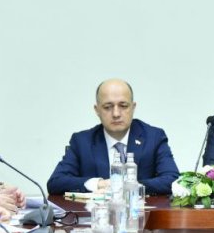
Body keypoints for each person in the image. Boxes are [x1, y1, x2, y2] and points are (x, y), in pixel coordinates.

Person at [47, 79, 180, 195]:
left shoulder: (154, 137)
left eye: (123, 106)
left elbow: (173, 180)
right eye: (107, 107)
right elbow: (55, 182)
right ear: (97, 110)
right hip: (95, 215)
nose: (116, 114)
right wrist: (99, 184)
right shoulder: (82, 142)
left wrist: (129, 187)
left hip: (141, 213)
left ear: (133, 107)